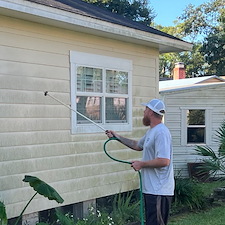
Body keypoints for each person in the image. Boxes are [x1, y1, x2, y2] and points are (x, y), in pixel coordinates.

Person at [105, 99, 174, 225]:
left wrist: (141, 164)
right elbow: (137, 145)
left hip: (159, 191)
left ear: (151, 113)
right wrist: (117, 137)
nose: (144, 111)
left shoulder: (161, 133)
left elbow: (164, 161)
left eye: (146, 109)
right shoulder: (151, 132)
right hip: (152, 190)